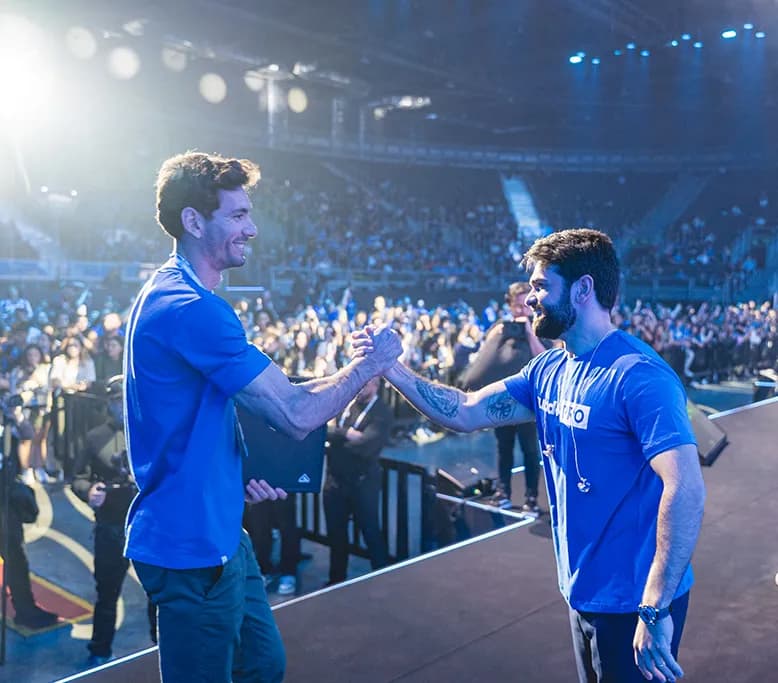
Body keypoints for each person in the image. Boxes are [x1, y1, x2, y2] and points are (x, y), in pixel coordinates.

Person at [357, 229, 706, 683]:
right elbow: (465, 410)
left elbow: (686, 487)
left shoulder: (639, 376)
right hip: (582, 592)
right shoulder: (548, 369)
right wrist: (390, 368)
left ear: (583, 289)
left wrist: (655, 607)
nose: (531, 299)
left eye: (541, 286)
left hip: (634, 603)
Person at [123, 151, 401, 683]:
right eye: (237, 215)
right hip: (192, 545)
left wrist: (241, 473)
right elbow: (295, 413)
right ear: (193, 221)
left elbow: (267, 398)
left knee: (263, 664)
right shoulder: (191, 308)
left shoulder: (172, 292)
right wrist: (372, 365)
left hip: (221, 529)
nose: (251, 229)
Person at [72, 375, 155, 668]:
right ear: (109, 403)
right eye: (116, 400)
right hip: (110, 526)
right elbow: (77, 477)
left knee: (157, 591)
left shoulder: (150, 429)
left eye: (125, 399)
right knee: (107, 593)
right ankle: (100, 650)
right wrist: (88, 490)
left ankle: (161, 645)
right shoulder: (95, 437)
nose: (121, 405)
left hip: (146, 524)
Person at [459, 282, 546, 511]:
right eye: (516, 306)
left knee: (530, 450)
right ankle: (503, 492)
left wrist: (529, 332)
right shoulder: (500, 328)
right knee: (503, 447)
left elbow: (544, 359)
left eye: (525, 305)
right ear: (509, 305)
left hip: (527, 402)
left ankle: (531, 498)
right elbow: (484, 362)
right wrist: (495, 337)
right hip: (503, 400)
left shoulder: (539, 326)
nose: (521, 310)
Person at [323, 376, 391, 585]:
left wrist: (334, 440)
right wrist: (346, 434)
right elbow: (323, 430)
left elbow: (365, 447)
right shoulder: (346, 404)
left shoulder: (381, 412)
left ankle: (384, 580)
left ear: (376, 384)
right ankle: (336, 581)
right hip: (335, 481)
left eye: (365, 383)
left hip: (362, 483)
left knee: (370, 532)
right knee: (336, 535)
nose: (360, 387)